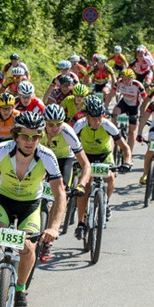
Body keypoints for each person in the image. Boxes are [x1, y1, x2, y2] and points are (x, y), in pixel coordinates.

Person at [0, 112, 66, 307]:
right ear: (15, 135)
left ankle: (21, 291)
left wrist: (54, 227)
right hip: (3, 201)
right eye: (25, 136)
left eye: (35, 137)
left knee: (28, 247)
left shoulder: (47, 156)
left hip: (30, 206)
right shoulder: (1, 151)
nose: (30, 142)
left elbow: (60, 195)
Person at [72, 95, 132, 239]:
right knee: (84, 186)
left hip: (104, 155)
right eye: (93, 118)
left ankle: (106, 202)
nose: (97, 121)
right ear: (87, 117)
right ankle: (80, 223)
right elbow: (70, 146)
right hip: (86, 156)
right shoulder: (79, 125)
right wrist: (73, 160)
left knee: (110, 177)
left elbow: (125, 148)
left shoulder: (107, 125)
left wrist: (127, 162)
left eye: (99, 117)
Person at [40, 104, 91, 261]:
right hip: (42, 158)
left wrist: (81, 184)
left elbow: (86, 165)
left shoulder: (68, 132)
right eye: (50, 124)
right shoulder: (37, 131)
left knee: (61, 193)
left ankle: (48, 243)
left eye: (58, 124)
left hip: (64, 160)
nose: (55, 128)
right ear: (44, 122)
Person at [107, 68, 146, 152]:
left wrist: (142, 114)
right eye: (124, 78)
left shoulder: (138, 85)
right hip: (124, 103)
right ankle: (114, 133)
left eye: (128, 79)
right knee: (115, 113)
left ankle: (129, 153)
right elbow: (111, 95)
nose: (126, 81)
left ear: (132, 79)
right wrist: (105, 108)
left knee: (131, 131)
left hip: (134, 106)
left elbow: (146, 100)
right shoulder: (119, 82)